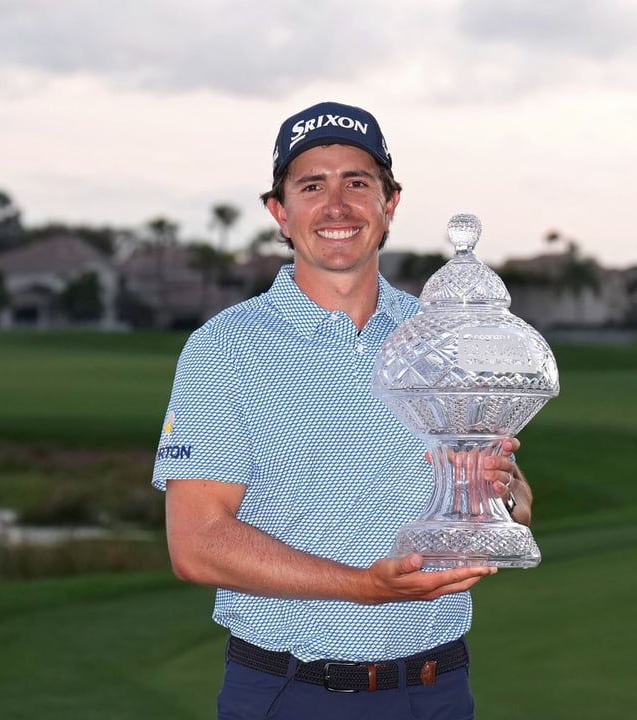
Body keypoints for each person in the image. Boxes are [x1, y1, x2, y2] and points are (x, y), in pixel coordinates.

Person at [151, 101, 534, 720]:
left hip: (438, 688)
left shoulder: (445, 335)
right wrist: (364, 588)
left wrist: (505, 491)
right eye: (311, 186)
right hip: (292, 693)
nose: (337, 207)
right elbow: (196, 544)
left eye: (357, 182)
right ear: (280, 211)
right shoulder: (225, 347)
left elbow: (508, 498)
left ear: (390, 203)